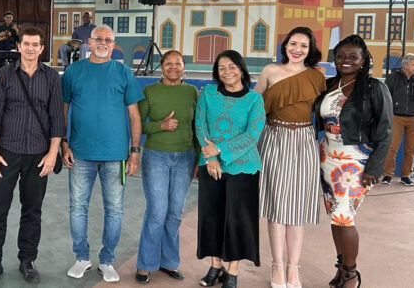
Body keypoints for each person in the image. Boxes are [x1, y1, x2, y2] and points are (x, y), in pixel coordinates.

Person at [0, 26, 66, 285]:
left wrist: (52, 154)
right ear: (19, 46)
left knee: (32, 211)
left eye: (35, 44)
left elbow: (57, 119)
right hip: (6, 153)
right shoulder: (4, 75)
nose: (30, 48)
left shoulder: (51, 77)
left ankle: (27, 260)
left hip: (38, 155)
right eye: (25, 43)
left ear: (41, 48)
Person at [61, 24, 144, 283]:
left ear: (113, 43)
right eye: (99, 38)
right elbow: (61, 111)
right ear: (89, 40)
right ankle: (82, 257)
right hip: (80, 153)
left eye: (108, 39)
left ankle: (107, 260)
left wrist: (134, 151)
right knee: (77, 208)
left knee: (115, 210)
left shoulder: (124, 73)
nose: (103, 42)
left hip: (115, 154)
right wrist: (63, 143)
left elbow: (134, 115)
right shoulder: (73, 72)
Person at [314, 35, 392, 288]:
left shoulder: (374, 88)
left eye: (352, 56)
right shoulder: (329, 85)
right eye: (340, 56)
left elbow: (385, 130)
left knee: (344, 216)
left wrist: (375, 167)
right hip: (327, 158)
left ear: (363, 60)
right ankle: (341, 267)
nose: (345, 60)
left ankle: (351, 274)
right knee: (336, 218)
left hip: (355, 162)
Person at [253, 27, 326, 288]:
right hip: (273, 139)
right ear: (285, 46)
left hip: (304, 142)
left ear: (310, 50)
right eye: (293, 43)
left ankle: (294, 268)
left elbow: (328, 111)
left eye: (304, 46)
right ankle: (277, 267)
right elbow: (252, 104)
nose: (297, 49)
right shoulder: (270, 71)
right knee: (276, 208)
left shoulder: (318, 76)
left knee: (297, 209)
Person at [196, 50, 265, 288]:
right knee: (211, 217)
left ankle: (233, 272)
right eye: (222, 67)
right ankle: (216, 265)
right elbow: (200, 124)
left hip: (243, 167)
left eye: (232, 66)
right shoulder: (208, 94)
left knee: (237, 220)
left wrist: (220, 151)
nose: (227, 71)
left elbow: (252, 134)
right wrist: (210, 158)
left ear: (242, 69)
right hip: (210, 165)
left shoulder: (254, 99)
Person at [134, 50, 198, 284]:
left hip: (185, 157)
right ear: (161, 66)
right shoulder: (149, 91)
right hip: (156, 156)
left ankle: (169, 261)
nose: (173, 67)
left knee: (174, 213)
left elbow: (197, 127)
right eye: (168, 63)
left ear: (184, 66)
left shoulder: (191, 92)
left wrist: (199, 158)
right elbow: (138, 125)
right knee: (157, 211)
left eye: (178, 63)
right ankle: (145, 264)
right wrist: (160, 125)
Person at [381, 53, 414, 187]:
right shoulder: (393, 77)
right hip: (396, 117)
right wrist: (389, 113)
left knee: (411, 149)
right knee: (392, 147)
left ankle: (406, 176)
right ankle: (388, 174)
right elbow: (385, 97)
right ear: (405, 64)